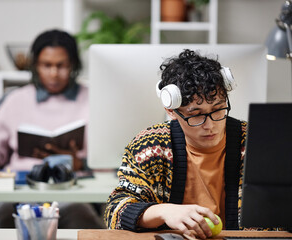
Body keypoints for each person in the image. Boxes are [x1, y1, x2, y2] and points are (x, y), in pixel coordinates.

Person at [0, 29, 105, 229]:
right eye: (47, 65)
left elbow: (108, 155)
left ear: (73, 65)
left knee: (84, 223)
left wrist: (80, 163)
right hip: (21, 191)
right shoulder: (16, 100)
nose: (54, 73)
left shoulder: (92, 99)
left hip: (73, 192)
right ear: (35, 66)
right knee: (4, 223)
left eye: (61, 65)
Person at [104, 49, 248, 239]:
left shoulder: (253, 142)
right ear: (171, 111)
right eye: (196, 114)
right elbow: (115, 211)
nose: (210, 125)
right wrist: (164, 211)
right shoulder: (149, 146)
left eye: (218, 109)